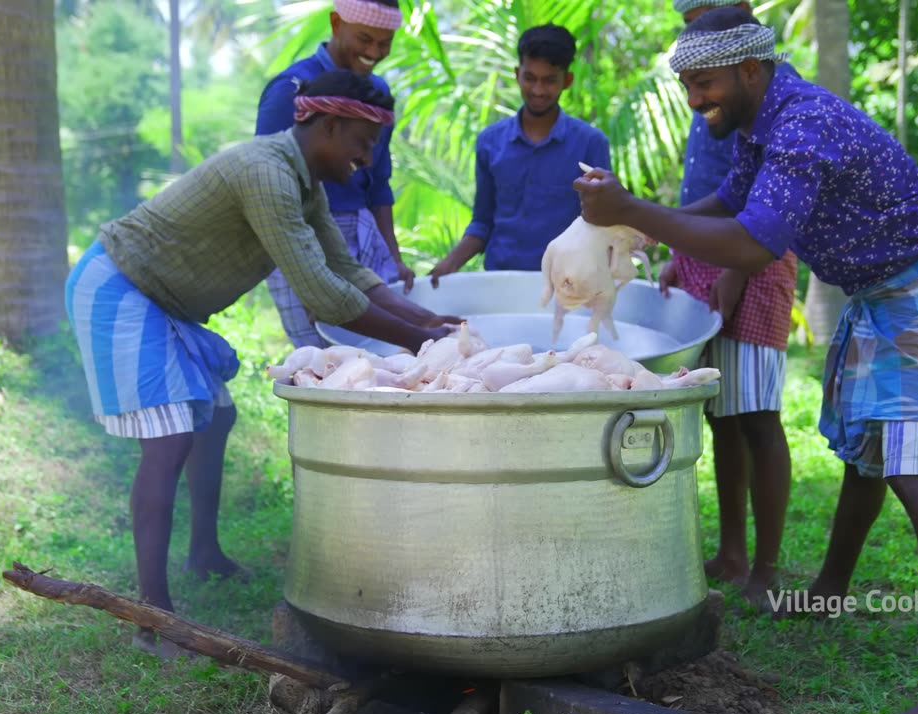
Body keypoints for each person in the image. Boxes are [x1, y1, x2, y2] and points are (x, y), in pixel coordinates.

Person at [573, 8, 918, 714]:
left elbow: (756, 241)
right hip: (882, 290)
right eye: (686, 85)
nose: (694, 99)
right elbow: (732, 202)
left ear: (747, 70)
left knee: (915, 472)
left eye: (703, 83)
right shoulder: (763, 119)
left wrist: (638, 212)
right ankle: (829, 590)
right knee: (869, 453)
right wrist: (651, 237)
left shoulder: (801, 125)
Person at [66, 70, 459, 658]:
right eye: (363, 141)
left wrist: (433, 326)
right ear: (328, 125)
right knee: (170, 440)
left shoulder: (305, 185)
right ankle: (153, 618)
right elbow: (323, 296)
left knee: (215, 418)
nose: (368, 159)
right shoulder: (266, 173)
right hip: (122, 286)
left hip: (163, 301)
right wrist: (414, 343)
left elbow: (349, 272)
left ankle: (203, 555)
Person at [661, 0, 798, 605]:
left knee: (758, 417)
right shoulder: (709, 82)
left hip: (752, 261)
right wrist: (675, 248)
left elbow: (759, 213)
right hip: (706, 257)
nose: (694, 23)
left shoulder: (768, 100)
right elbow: (717, 193)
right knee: (721, 415)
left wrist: (735, 273)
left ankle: (766, 566)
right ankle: (733, 551)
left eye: (704, 13)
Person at [256, 0, 416, 349]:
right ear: (335, 23)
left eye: (384, 43)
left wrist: (393, 257)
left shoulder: (379, 93)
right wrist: (309, 280)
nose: (374, 52)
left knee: (387, 351)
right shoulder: (291, 89)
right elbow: (266, 187)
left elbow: (378, 182)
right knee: (327, 359)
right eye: (364, 39)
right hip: (299, 237)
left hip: (361, 231)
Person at [429, 23, 611, 286]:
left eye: (549, 80)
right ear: (517, 74)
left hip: (568, 287)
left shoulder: (591, 144)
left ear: (567, 81)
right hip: (500, 283)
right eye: (530, 77)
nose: (538, 90)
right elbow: (482, 223)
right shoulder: (489, 142)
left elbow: (601, 225)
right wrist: (448, 265)